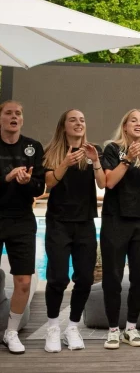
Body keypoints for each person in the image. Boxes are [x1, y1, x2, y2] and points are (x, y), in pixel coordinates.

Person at [42, 109, 106, 352]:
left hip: (85, 222)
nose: (79, 123)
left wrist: (96, 161)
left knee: (85, 278)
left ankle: (72, 326)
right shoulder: (51, 152)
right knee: (57, 278)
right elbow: (49, 183)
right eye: (73, 120)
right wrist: (65, 164)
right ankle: (52, 327)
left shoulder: (92, 151)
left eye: (82, 119)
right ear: (63, 126)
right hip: (59, 222)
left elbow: (102, 183)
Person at [100, 109, 140, 349]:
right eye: (134, 120)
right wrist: (127, 159)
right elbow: (110, 182)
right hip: (115, 221)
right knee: (113, 277)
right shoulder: (112, 149)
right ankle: (113, 329)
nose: (139, 124)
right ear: (125, 125)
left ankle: (131, 327)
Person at [0, 101, 45, 355]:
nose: (14, 117)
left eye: (18, 113)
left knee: (24, 281)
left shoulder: (33, 147)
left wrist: (27, 183)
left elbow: (40, 187)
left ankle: (11, 332)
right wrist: (6, 178)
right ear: (0, 118)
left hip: (21, 218)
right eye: (9, 113)